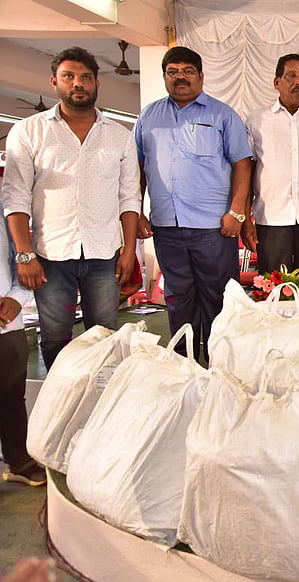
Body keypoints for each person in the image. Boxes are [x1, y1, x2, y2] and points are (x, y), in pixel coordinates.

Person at [2, 46, 140, 369]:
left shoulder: (120, 137)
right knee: (54, 338)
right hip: (50, 257)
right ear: (55, 82)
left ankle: (99, 402)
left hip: (104, 254)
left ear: (96, 84)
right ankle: (60, 402)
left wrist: (129, 249)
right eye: (69, 77)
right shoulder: (29, 132)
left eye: (85, 77)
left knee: (105, 337)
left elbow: (130, 198)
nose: (77, 83)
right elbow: (16, 197)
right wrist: (24, 254)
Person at [134, 46, 252, 361]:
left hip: (214, 227)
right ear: (164, 77)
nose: (180, 77)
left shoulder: (222, 114)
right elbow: (136, 167)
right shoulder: (149, 116)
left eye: (187, 71)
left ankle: (220, 364)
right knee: (177, 299)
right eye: (173, 72)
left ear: (200, 76)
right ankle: (181, 364)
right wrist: (136, 212)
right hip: (166, 224)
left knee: (218, 299)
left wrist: (237, 213)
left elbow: (243, 165)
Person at [244, 53, 299, 275]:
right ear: (277, 82)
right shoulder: (257, 120)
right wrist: (245, 218)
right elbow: (246, 172)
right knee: (272, 289)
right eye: (291, 76)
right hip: (272, 217)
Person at [0, 200, 43, 487]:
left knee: (12, 393)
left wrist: (18, 297)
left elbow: (22, 254)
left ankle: (18, 459)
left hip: (6, 317)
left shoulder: (5, 204)